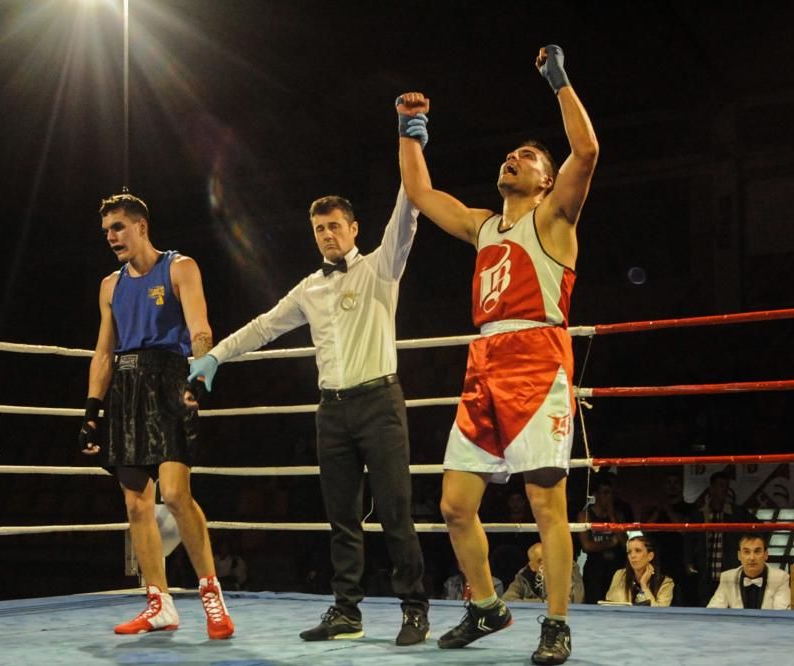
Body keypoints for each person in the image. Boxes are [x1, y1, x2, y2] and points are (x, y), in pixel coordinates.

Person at [187, 97, 430, 646]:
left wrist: (409, 135)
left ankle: (415, 608)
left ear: (353, 229)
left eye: (334, 225)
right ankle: (347, 610)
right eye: (318, 227)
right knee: (341, 517)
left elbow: (409, 210)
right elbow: (264, 326)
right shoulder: (309, 287)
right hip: (332, 411)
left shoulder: (380, 268)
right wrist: (216, 356)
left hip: (380, 403)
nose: (325, 233)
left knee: (395, 512)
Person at [397, 44, 598, 665]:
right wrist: (410, 129)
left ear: (546, 179)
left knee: (545, 501)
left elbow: (586, 152)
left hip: (537, 358)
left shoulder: (556, 218)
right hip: (484, 362)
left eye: (529, 157)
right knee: (455, 504)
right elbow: (421, 192)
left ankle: (557, 623)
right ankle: (487, 606)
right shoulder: (484, 226)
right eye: (510, 154)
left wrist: (560, 84)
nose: (514, 158)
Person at [77, 191, 234, 639]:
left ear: (141, 226)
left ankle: (211, 594)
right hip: (125, 387)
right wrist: (91, 409)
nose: (111, 236)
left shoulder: (180, 267)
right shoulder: (111, 285)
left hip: (169, 380)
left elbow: (200, 328)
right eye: (107, 230)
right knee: (135, 503)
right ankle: (159, 603)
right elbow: (104, 351)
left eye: (119, 227)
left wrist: (198, 373)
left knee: (175, 493)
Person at [694, 471, 756, 605]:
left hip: (730, 568)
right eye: (721, 485)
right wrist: (688, 561)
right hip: (706, 569)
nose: (724, 490)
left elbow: (759, 529)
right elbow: (690, 538)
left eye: (726, 486)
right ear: (711, 488)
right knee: (705, 604)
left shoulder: (737, 512)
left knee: (732, 604)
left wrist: (747, 551)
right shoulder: (700, 513)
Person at [643, 470, 698, 604]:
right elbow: (645, 530)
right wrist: (659, 509)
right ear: (663, 486)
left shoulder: (690, 508)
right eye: (668, 483)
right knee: (658, 597)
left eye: (675, 483)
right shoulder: (652, 510)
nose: (672, 486)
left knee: (684, 598)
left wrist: (667, 508)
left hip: (680, 560)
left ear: (681, 486)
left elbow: (682, 529)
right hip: (658, 560)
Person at [577, 472, 627, 603]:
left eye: (611, 493)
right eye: (605, 493)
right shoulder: (585, 515)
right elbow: (587, 546)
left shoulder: (618, 515)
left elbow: (625, 544)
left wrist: (612, 517)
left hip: (616, 567)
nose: (609, 497)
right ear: (596, 494)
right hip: (595, 568)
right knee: (593, 603)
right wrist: (610, 543)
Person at [707, 533, 791, 609]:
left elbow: (781, 614)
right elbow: (714, 610)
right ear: (739, 556)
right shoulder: (727, 577)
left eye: (757, 551)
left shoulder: (781, 578)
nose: (752, 558)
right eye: (746, 552)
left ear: (766, 555)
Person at [503, 543, 584, 604]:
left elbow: (572, 601)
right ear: (531, 565)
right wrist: (542, 602)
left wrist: (526, 600)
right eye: (539, 561)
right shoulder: (524, 575)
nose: (545, 564)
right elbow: (507, 599)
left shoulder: (567, 569)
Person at [604, 535, 674, 607]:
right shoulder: (620, 575)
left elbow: (659, 614)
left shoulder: (665, 583)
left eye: (638, 551)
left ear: (650, 556)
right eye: (629, 552)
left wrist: (644, 585)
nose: (632, 555)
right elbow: (609, 605)